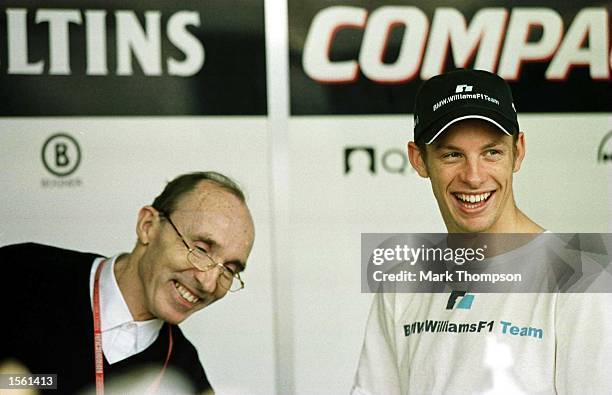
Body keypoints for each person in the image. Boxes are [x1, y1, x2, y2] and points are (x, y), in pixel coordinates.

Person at [352, 69, 612, 394]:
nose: (473, 177)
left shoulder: (582, 274)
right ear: (419, 160)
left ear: (518, 151)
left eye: (492, 152)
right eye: (452, 155)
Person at [0, 171, 255, 394]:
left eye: (229, 270)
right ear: (147, 226)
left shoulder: (186, 376)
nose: (209, 282)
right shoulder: (23, 272)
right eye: (200, 249)